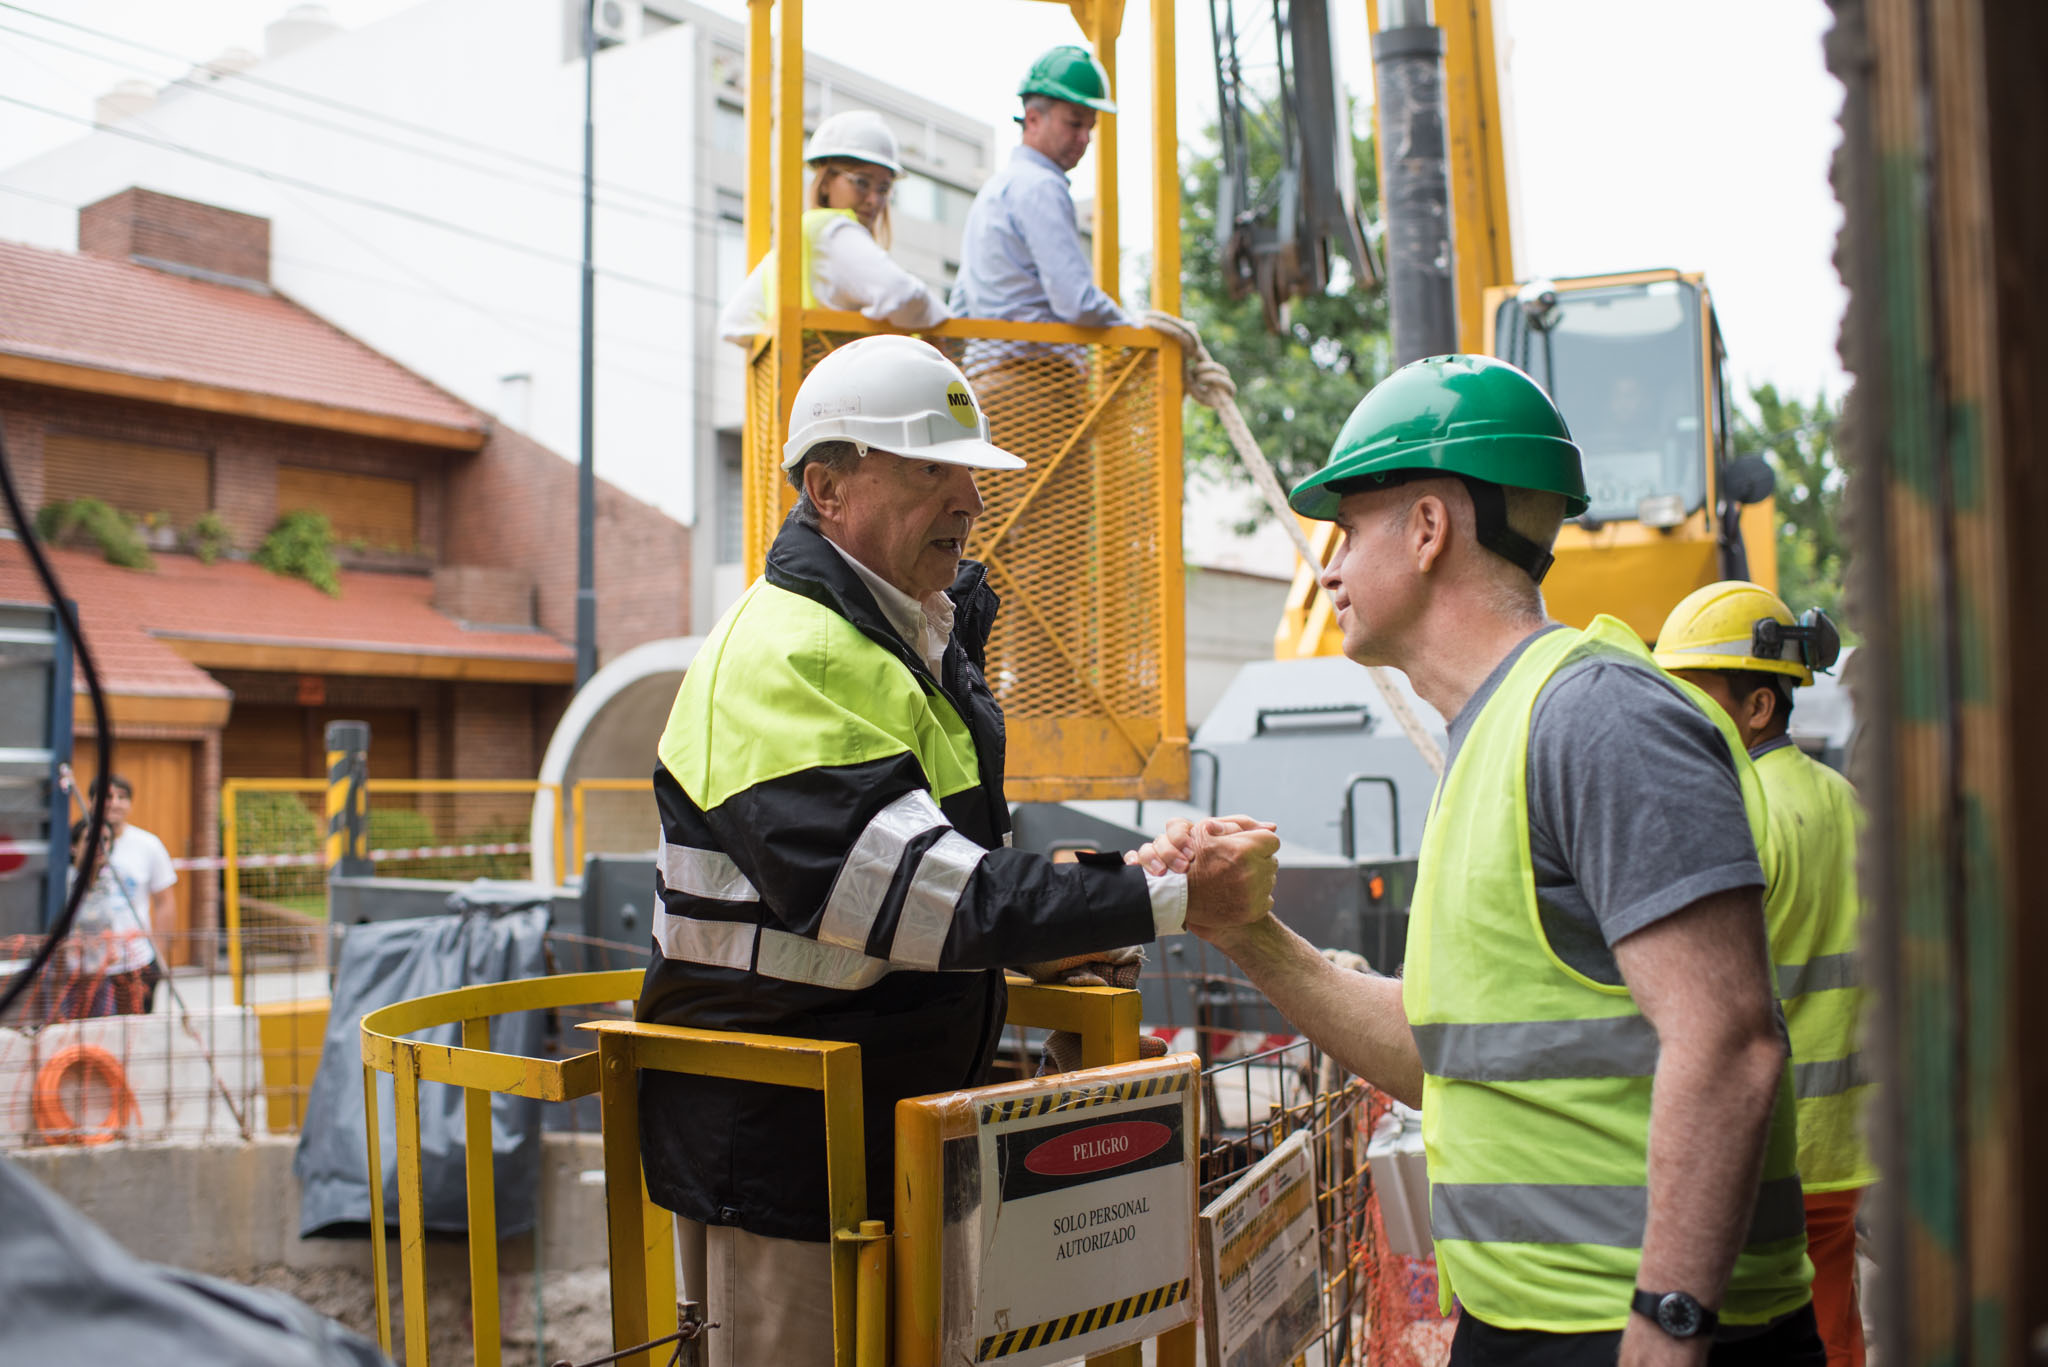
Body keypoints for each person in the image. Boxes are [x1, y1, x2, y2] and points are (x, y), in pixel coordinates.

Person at [1139, 355, 1822, 1365]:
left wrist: (1665, 1321)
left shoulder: (1597, 716)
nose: (1323, 566)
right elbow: (1441, 1056)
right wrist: (1244, 929)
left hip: (1639, 1328)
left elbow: (1727, 1040)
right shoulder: (1495, 731)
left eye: (1347, 528)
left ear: (1426, 528)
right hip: (1529, 1322)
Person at [634, 333, 1278, 1367]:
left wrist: (1076, 909)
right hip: (783, 1157)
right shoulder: (787, 654)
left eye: (967, 473)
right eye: (930, 469)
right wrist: (1163, 892)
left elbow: (950, 865)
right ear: (826, 488)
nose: (968, 502)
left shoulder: (905, 636)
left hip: (889, 1131)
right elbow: (929, 898)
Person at [1654, 582, 1872, 1367]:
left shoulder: (1733, 810)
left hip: (1764, 1143)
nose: (1670, 714)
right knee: (1832, 1321)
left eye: (1690, 693)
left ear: (1756, 707)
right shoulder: (1847, 802)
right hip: (1845, 1142)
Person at [717, 109, 947, 344]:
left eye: (883, 189)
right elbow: (902, 295)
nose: (873, 200)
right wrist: (947, 322)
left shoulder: (802, 236)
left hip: (806, 378)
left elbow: (736, 323)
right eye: (861, 182)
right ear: (826, 182)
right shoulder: (836, 231)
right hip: (846, 378)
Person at [947, 44, 1130, 330]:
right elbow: (1076, 302)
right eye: (1074, 123)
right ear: (1032, 119)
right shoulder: (1041, 187)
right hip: (1035, 367)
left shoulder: (995, 188)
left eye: (1090, 128)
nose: (1085, 139)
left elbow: (961, 299)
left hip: (990, 367)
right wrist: (1134, 329)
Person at [86, 773, 171, 1013]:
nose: (114, 803)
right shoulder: (79, 841)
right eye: (106, 796)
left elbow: (165, 901)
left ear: (130, 804)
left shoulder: (148, 845)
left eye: (122, 797)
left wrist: (160, 955)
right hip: (89, 967)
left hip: (135, 961)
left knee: (134, 1034)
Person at [58, 817, 156, 1018]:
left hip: (102, 980)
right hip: (66, 983)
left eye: (105, 839)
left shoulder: (109, 883)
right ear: (73, 846)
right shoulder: (61, 884)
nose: (99, 845)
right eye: (90, 838)